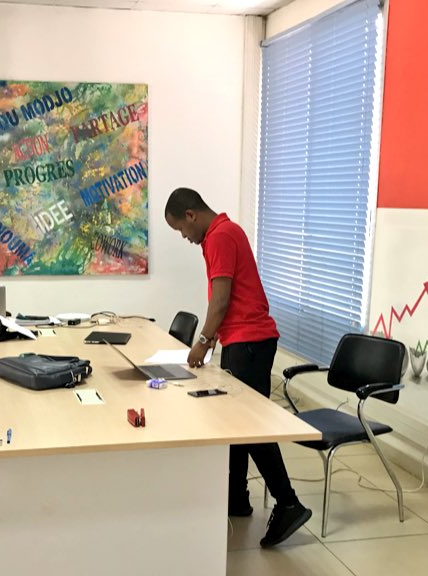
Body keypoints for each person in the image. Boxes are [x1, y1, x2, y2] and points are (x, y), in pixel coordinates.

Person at [164, 187, 312, 548]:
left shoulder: (220, 236)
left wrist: (202, 341)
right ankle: (236, 498)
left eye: (181, 229)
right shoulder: (223, 233)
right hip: (242, 340)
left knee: (250, 425)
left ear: (191, 215)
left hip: (250, 342)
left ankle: (288, 503)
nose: (184, 237)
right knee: (235, 423)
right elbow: (226, 300)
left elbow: (221, 298)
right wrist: (216, 338)